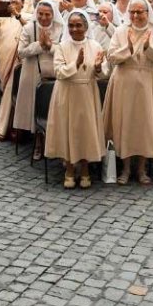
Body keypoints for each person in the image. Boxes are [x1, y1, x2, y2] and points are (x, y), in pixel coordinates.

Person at [103, 0, 153, 185]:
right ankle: (125, 169)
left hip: (148, 84)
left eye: (139, 12)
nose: (135, 16)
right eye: (132, 12)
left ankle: (141, 169)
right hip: (124, 83)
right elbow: (111, 56)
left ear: (147, 12)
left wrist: (148, 48)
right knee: (125, 124)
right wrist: (128, 48)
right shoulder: (120, 30)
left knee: (145, 126)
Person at [46, 13, 106, 188]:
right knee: (67, 130)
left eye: (78, 25)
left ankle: (85, 169)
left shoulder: (95, 46)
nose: (74, 29)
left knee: (85, 131)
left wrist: (98, 68)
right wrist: (76, 64)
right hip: (66, 92)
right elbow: (58, 72)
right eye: (71, 25)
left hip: (87, 93)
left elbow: (104, 73)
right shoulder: (61, 47)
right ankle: (70, 170)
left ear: (86, 27)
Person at [16, 2, 62, 160]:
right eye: (40, 13)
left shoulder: (61, 29)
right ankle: (37, 143)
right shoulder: (29, 28)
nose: (43, 17)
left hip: (54, 75)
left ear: (53, 15)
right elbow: (21, 52)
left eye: (47, 14)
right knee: (35, 108)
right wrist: (39, 45)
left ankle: (53, 144)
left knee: (51, 110)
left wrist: (50, 46)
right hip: (32, 73)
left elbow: (65, 50)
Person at [0, 0, 27, 141]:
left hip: (18, 62)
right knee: (8, 91)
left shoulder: (28, 15)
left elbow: (29, 28)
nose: (13, 0)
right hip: (4, 59)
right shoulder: (2, 17)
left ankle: (11, 128)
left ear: (23, 2)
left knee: (12, 94)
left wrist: (17, 15)